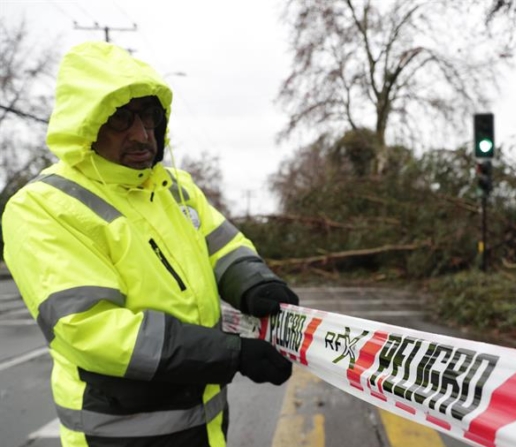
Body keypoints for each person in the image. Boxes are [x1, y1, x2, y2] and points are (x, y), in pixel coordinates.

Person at [1, 41, 299, 447]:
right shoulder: (43, 207)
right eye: (121, 119)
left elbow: (224, 247)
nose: (142, 134)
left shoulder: (176, 188)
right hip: (124, 433)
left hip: (206, 421)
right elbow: (90, 328)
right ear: (86, 126)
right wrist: (230, 353)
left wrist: (256, 284)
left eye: (150, 117)